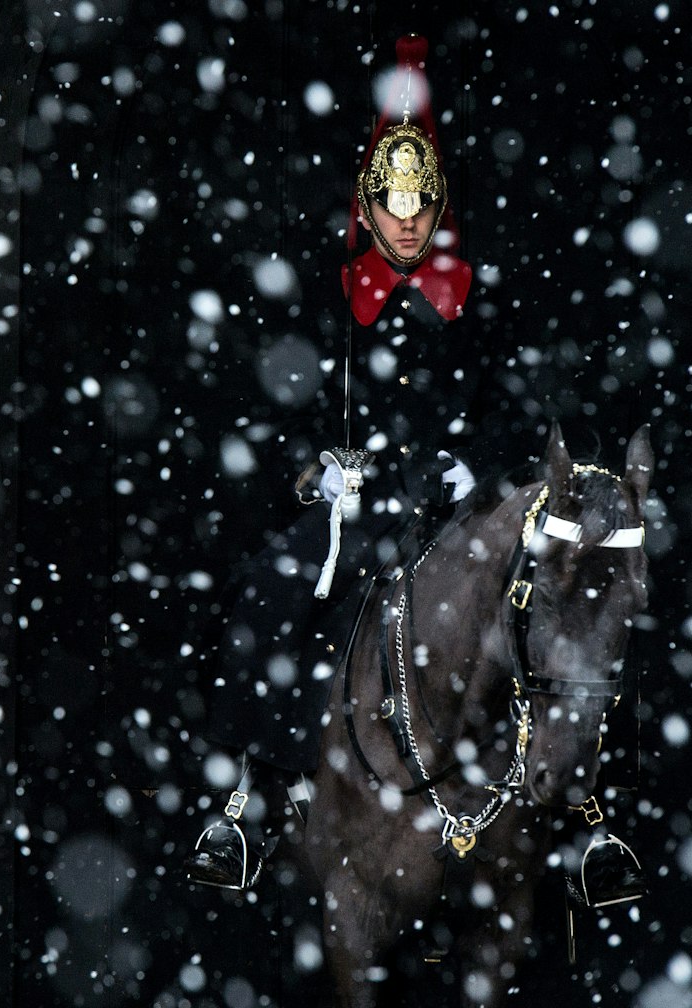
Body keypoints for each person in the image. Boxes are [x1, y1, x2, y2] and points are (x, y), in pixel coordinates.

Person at [185, 35, 517, 891]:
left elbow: (517, 412)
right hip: (355, 510)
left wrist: (474, 466)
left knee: (558, 607)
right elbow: (272, 408)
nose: (407, 219)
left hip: (452, 517)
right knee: (267, 586)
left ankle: (588, 815)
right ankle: (246, 806)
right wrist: (309, 468)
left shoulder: (478, 305)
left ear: (438, 206)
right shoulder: (326, 296)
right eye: (390, 202)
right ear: (365, 208)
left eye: (421, 203)